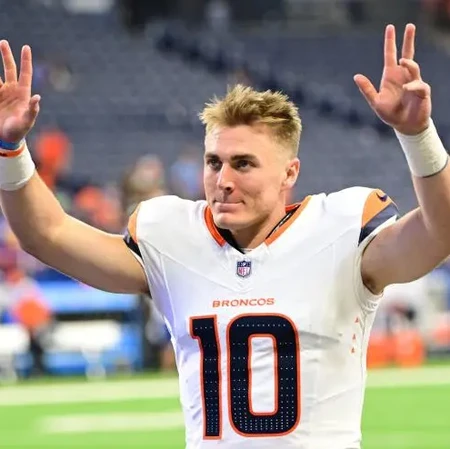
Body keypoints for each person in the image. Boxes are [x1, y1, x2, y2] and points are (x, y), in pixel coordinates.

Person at [0, 23, 448, 448]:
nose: (224, 180)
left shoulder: (340, 230)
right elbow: (46, 234)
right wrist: (10, 149)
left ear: (289, 173)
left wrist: (418, 137)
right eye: (214, 162)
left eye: (244, 164)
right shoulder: (173, 237)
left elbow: (439, 232)